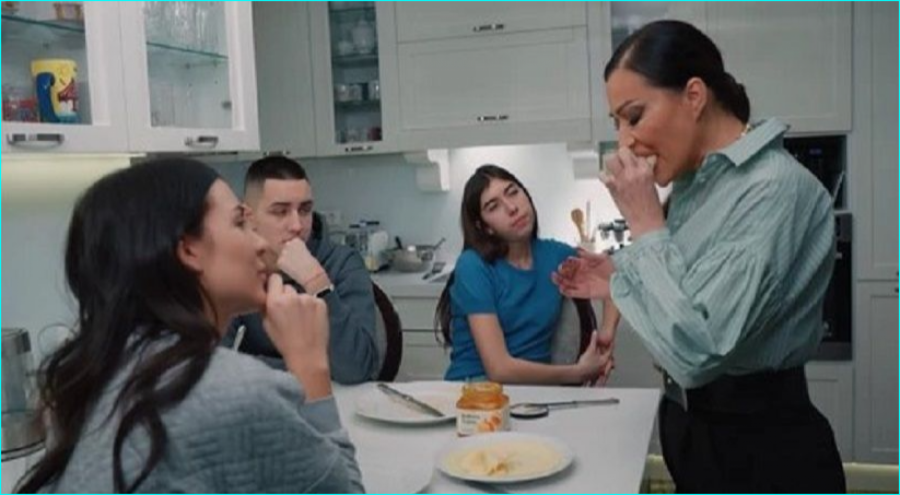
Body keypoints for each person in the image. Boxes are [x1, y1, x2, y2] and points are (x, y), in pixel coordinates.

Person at [553, 20, 845, 492]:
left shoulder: (773, 189)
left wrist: (645, 222)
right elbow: (687, 295)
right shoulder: (692, 185)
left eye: (634, 116)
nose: (625, 141)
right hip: (695, 431)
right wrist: (620, 279)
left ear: (693, 96)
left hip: (760, 447)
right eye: (616, 124)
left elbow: (695, 352)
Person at [17, 159, 363, 493]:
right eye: (240, 223)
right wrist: (309, 363)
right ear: (189, 250)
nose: (260, 243)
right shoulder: (234, 391)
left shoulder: (106, 367)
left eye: (305, 210)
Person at [436, 164, 618, 385]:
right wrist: (577, 373)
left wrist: (606, 336)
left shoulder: (555, 255)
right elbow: (499, 370)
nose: (512, 207)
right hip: (473, 389)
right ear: (484, 227)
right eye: (493, 206)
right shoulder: (473, 266)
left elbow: (615, 278)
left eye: (513, 192)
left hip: (534, 393)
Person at [226, 156, 378, 385]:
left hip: (333, 399)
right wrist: (308, 366)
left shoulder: (342, 262)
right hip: (257, 398)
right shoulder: (232, 267)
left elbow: (357, 369)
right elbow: (213, 365)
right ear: (249, 217)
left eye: (305, 210)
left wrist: (317, 283)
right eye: (280, 212)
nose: (297, 225)